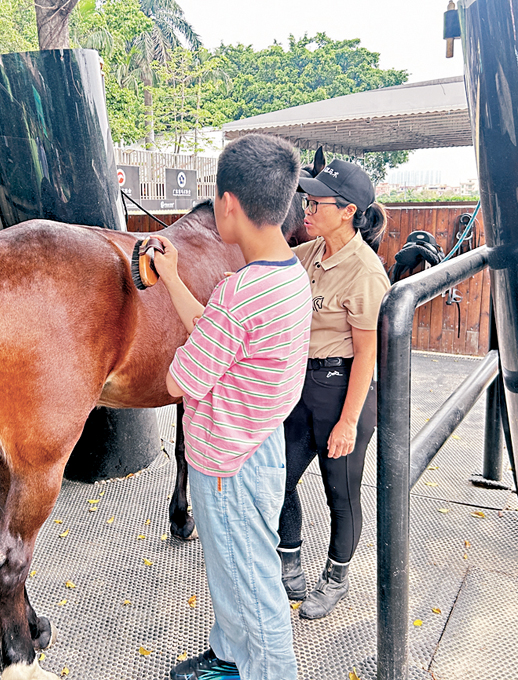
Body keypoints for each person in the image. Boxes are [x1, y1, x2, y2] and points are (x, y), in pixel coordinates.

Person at [152, 133, 313, 680]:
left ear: (227, 204)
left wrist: (197, 333)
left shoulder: (239, 294)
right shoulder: (288, 279)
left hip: (226, 467)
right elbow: (219, 334)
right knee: (232, 570)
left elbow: (180, 380)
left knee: (253, 583)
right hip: (259, 446)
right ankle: (229, 657)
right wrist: (174, 278)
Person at [276, 159, 390, 620]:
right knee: (277, 477)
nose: (306, 207)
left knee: (340, 492)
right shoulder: (309, 253)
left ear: (347, 211)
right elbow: (270, 270)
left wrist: (347, 421)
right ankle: (290, 558)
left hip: (341, 388)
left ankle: (336, 578)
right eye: (306, 199)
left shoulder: (365, 273)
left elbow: (367, 355)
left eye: (315, 202)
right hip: (298, 385)